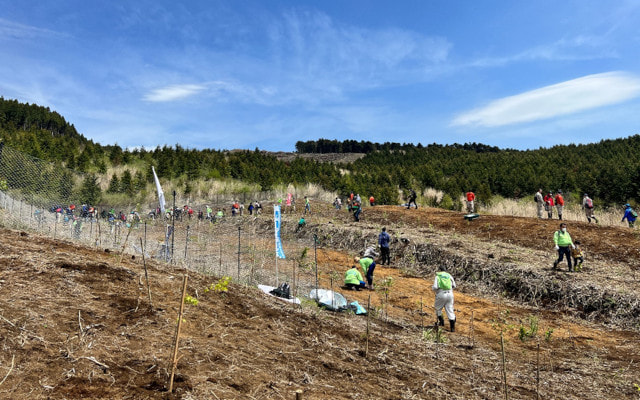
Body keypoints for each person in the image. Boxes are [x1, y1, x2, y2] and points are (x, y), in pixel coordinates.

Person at [433, 265, 456, 332]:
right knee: (450, 310)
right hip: (450, 294)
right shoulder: (449, 276)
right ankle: (452, 328)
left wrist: (436, 291)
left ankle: (441, 322)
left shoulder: (438, 276)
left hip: (441, 294)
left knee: (438, 308)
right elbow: (454, 285)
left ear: (439, 270)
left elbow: (435, 287)